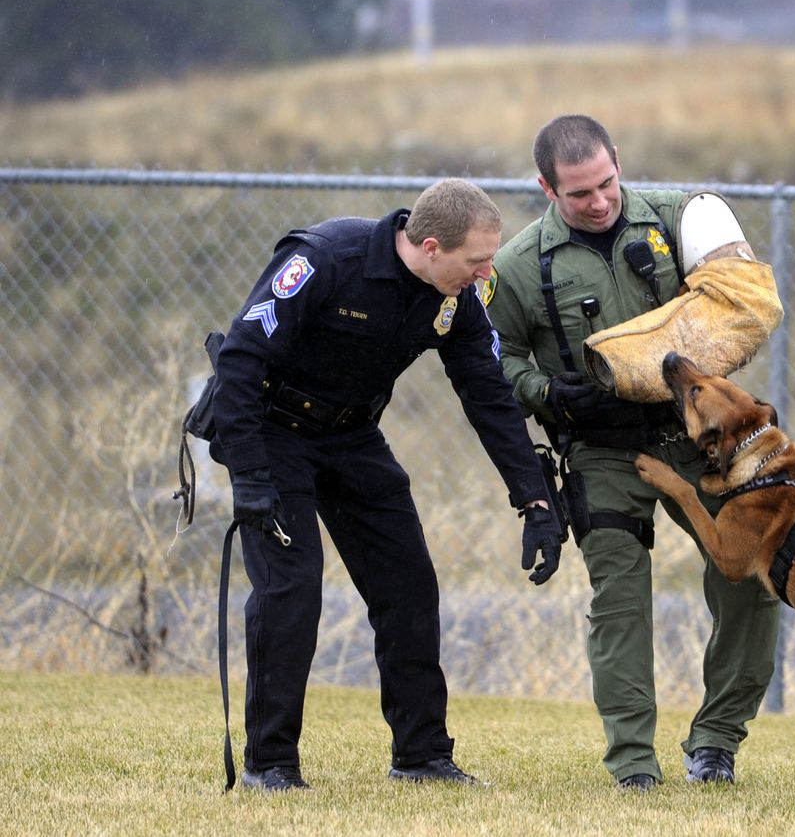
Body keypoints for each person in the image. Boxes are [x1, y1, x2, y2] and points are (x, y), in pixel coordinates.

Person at [210, 178, 562, 792]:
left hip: (350, 437)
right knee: (291, 591)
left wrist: (533, 498)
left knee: (409, 586)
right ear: (430, 247)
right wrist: (252, 478)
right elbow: (241, 360)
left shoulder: (454, 297)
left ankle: (422, 757)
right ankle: (269, 765)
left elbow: (488, 393)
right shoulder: (325, 260)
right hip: (272, 431)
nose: (485, 274)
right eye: (477, 261)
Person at [482, 115, 781, 790]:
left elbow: (744, 304)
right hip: (600, 452)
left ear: (618, 161)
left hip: (694, 444)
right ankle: (634, 767)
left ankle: (716, 744)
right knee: (621, 600)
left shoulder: (683, 221)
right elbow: (493, 358)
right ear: (547, 187)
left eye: (607, 183)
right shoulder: (520, 267)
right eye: (579, 193)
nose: (599, 201)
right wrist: (549, 393)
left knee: (751, 580)